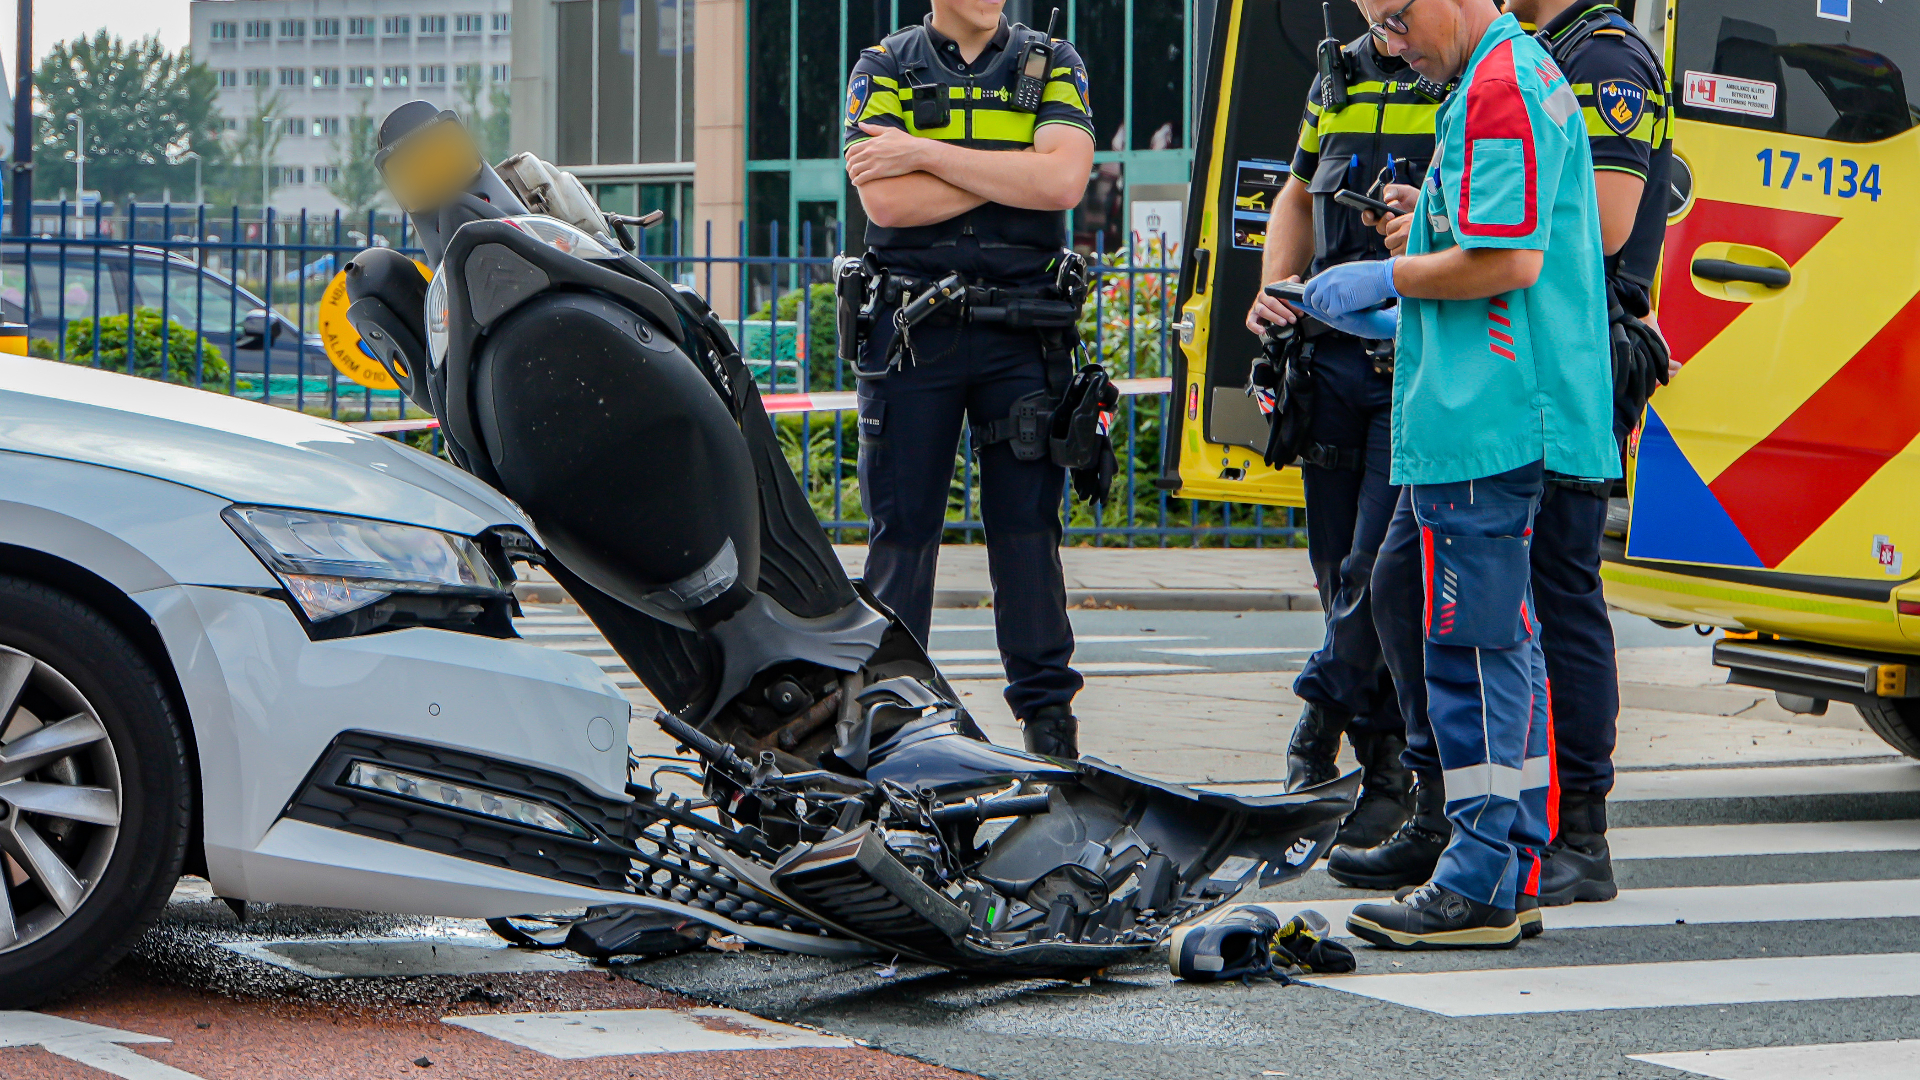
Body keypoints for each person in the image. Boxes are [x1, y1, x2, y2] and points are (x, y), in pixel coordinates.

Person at [1300, 0, 1618, 948]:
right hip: (1490, 409)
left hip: (1485, 418)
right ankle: (1504, 860)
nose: (1391, 46)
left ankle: (1478, 879)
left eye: (1393, 22)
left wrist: (1385, 282)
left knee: (1472, 650)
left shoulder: (1497, 86)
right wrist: (1409, 295)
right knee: (1499, 645)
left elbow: (1507, 262)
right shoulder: (1506, 78)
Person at [840, 0, 1097, 757]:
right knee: (903, 537)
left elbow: (1063, 183)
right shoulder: (883, 63)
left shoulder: (1052, 61)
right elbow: (886, 200)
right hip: (912, 334)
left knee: (1026, 536)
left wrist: (926, 151)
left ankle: (1050, 726)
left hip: (1025, 335)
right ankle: (888, 720)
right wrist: (1014, 173)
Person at [1242, 22, 1448, 848]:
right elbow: (1297, 192)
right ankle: (1373, 760)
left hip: (1416, 360)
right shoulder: (1338, 76)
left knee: (1380, 568)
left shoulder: (1467, 73)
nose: (1385, 27)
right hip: (1328, 365)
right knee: (1339, 575)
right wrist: (1274, 291)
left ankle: (1329, 725)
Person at [1505, 0, 1673, 907]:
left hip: (1577, 358)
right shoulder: (1543, 50)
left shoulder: (1605, 56)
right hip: (1544, 354)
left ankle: (1582, 833)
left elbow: (1606, 225)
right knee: (1536, 589)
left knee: (1561, 591)